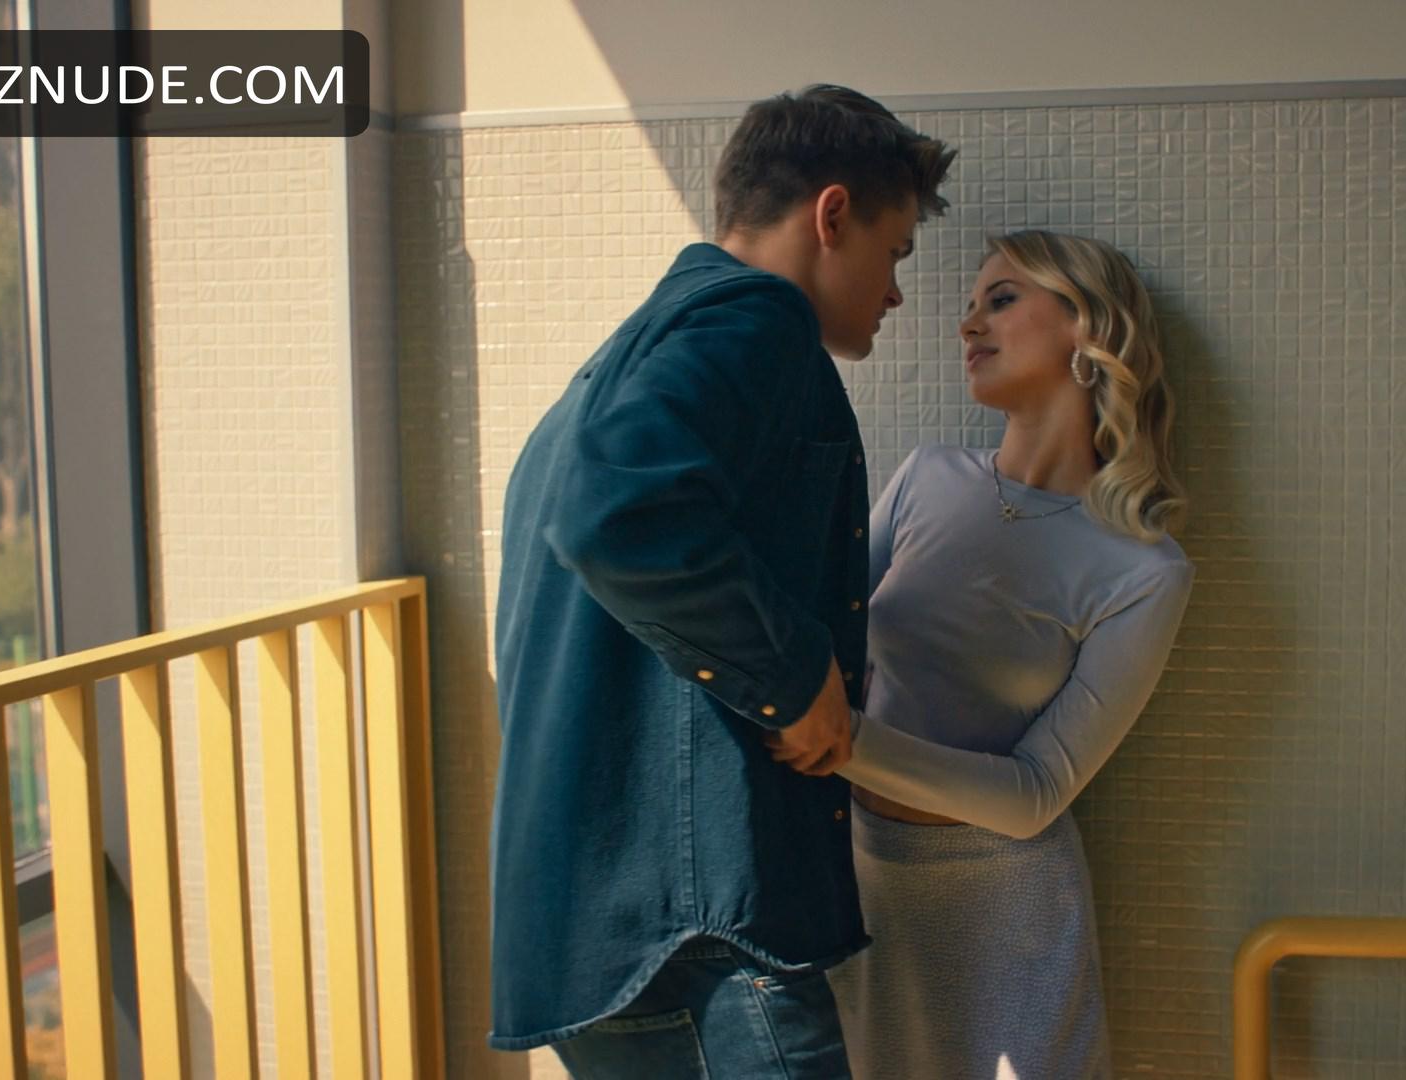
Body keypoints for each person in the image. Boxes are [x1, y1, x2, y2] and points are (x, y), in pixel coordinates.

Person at [487, 85, 954, 1079]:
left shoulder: (628, 355)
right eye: (896, 253)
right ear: (832, 215)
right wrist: (797, 675)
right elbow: (617, 515)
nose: (895, 293)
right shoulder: (755, 321)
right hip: (694, 937)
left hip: (609, 922)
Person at [790, 231, 1197, 1079]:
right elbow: (827, 645)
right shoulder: (926, 477)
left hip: (1011, 919)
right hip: (861, 888)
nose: (968, 324)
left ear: (1087, 329)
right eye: (971, 305)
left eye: (1002, 300)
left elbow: (1034, 795)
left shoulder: (1144, 569)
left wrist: (840, 742)